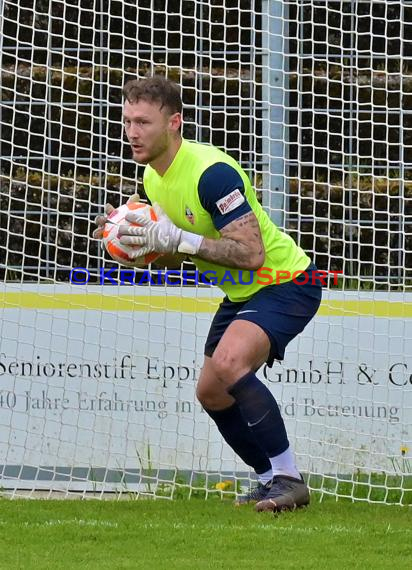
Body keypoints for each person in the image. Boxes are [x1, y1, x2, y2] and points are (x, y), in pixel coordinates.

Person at [94, 76, 322, 512]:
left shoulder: (211, 173)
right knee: (211, 392)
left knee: (229, 363)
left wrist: (176, 238)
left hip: (287, 281)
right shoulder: (151, 178)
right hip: (243, 293)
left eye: (143, 122)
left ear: (174, 122)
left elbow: (252, 253)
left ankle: (290, 478)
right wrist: (137, 248)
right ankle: (270, 479)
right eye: (127, 122)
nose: (132, 132)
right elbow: (173, 249)